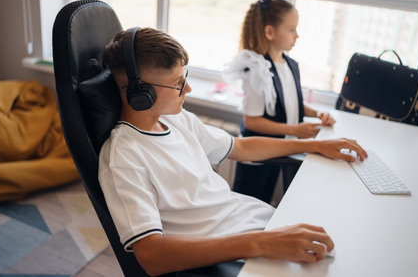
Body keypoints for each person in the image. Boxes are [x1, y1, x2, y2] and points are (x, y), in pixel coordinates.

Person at [99, 27, 366, 276]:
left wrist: (315, 146)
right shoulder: (123, 157)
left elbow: (240, 146)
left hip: (255, 226)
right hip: (235, 254)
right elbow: (151, 255)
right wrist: (261, 243)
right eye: (178, 82)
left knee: (350, 243)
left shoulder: (176, 119)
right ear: (141, 94)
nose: (188, 89)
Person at [224, 0, 336, 204]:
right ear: (270, 31)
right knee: (247, 205)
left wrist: (316, 113)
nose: (297, 35)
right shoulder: (258, 70)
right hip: (256, 155)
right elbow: (252, 121)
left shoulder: (290, 64)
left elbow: (289, 101)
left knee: (265, 203)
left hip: (279, 149)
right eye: (292, 29)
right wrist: (294, 130)